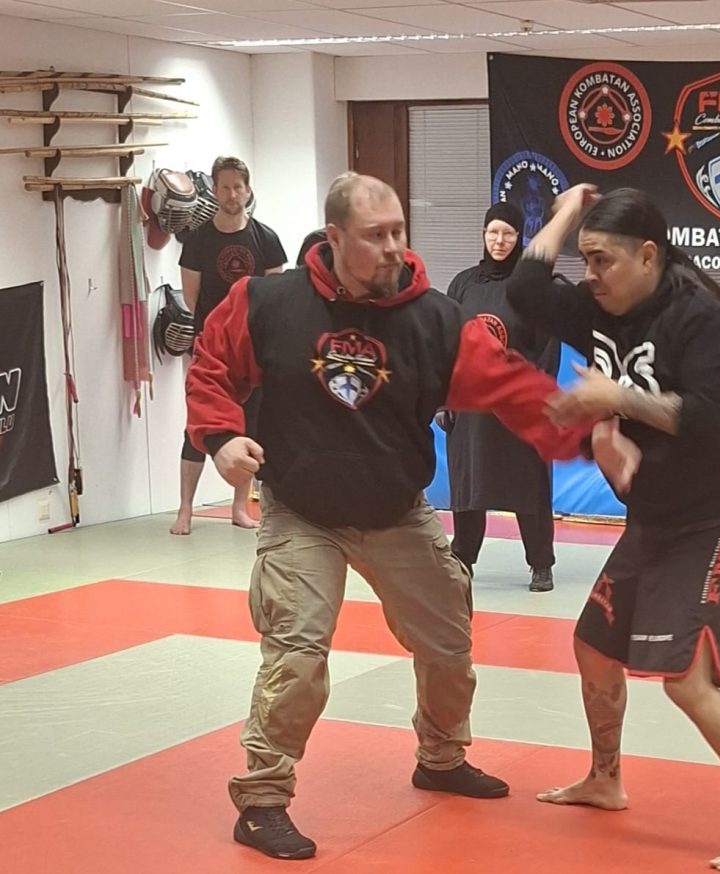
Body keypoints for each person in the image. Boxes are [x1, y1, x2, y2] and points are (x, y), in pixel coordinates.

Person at [186, 173, 600, 861]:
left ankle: (440, 757)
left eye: (398, 232)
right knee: (298, 652)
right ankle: (261, 800)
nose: (392, 247)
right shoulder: (269, 301)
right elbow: (211, 366)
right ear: (335, 237)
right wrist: (221, 436)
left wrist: (593, 438)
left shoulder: (436, 320)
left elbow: (512, 389)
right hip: (303, 510)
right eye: (375, 236)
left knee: (449, 641)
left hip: (396, 509)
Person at [506, 183, 720, 872]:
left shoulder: (700, 322)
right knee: (592, 648)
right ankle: (605, 779)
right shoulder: (598, 308)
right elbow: (524, 288)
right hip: (653, 517)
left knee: (685, 681)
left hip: (710, 519)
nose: (590, 275)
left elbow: (713, 421)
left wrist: (616, 398)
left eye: (602, 260)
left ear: (647, 255)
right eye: (584, 260)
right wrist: (567, 212)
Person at [443, 202, 560, 592]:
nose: (499, 240)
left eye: (508, 233)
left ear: (519, 237)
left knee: (530, 483)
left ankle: (541, 562)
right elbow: (447, 341)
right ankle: (463, 558)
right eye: (493, 232)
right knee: (469, 483)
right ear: (483, 234)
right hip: (471, 401)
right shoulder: (463, 284)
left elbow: (547, 345)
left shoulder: (532, 286)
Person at [170, 155, 287, 535]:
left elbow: (273, 300)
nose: (232, 194)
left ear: (247, 190)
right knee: (198, 427)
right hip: (211, 349)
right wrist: (216, 336)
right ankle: (185, 510)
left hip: (253, 351)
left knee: (248, 426)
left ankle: (239, 507)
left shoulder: (266, 239)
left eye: (238, 187)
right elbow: (192, 299)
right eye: (225, 187)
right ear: (215, 191)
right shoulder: (198, 241)